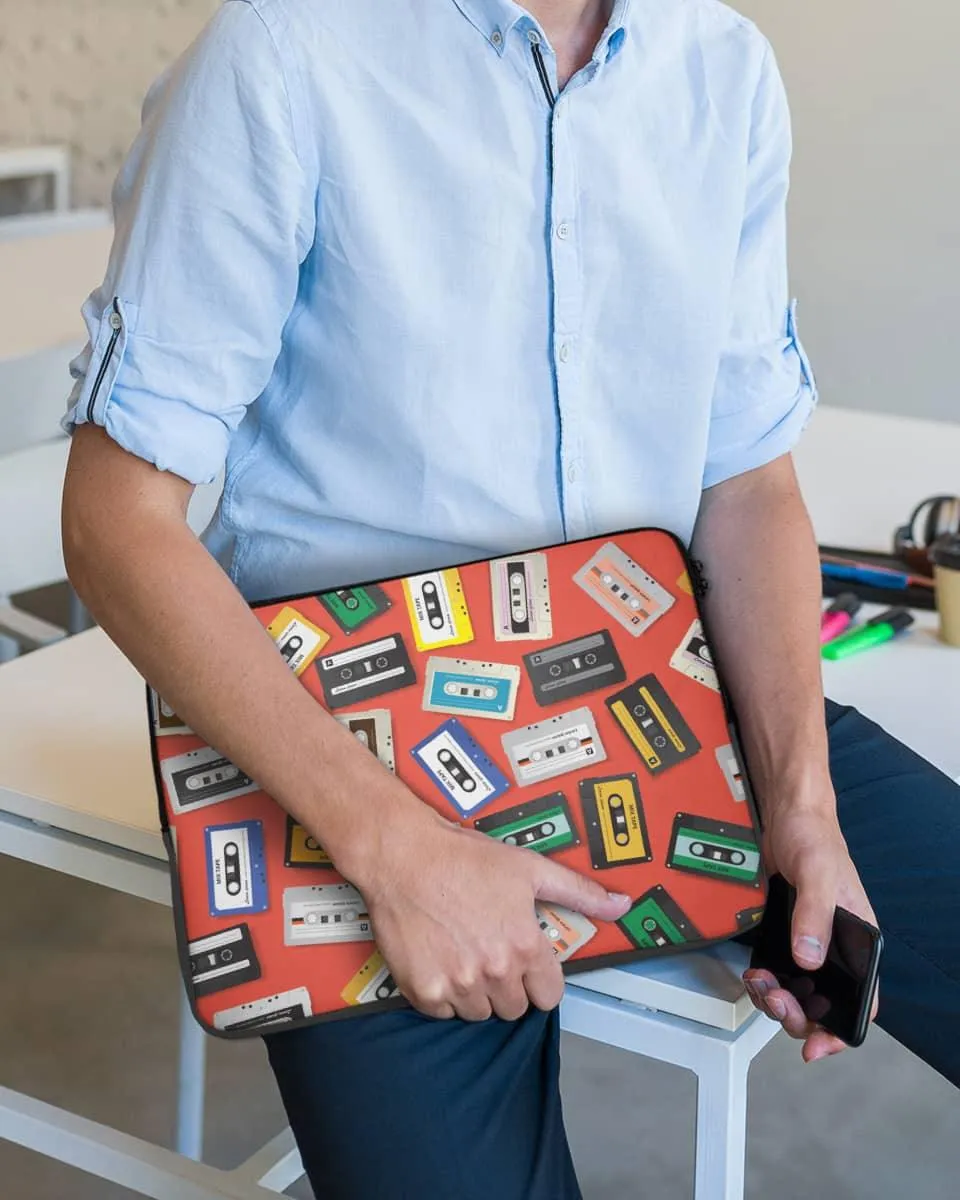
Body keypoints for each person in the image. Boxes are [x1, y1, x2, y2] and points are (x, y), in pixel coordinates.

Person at [60, 1, 959, 1196]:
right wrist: (399, 852)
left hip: (660, 688)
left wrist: (802, 802)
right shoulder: (284, 51)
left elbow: (745, 478)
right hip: (350, 749)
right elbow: (114, 522)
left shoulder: (723, 67)